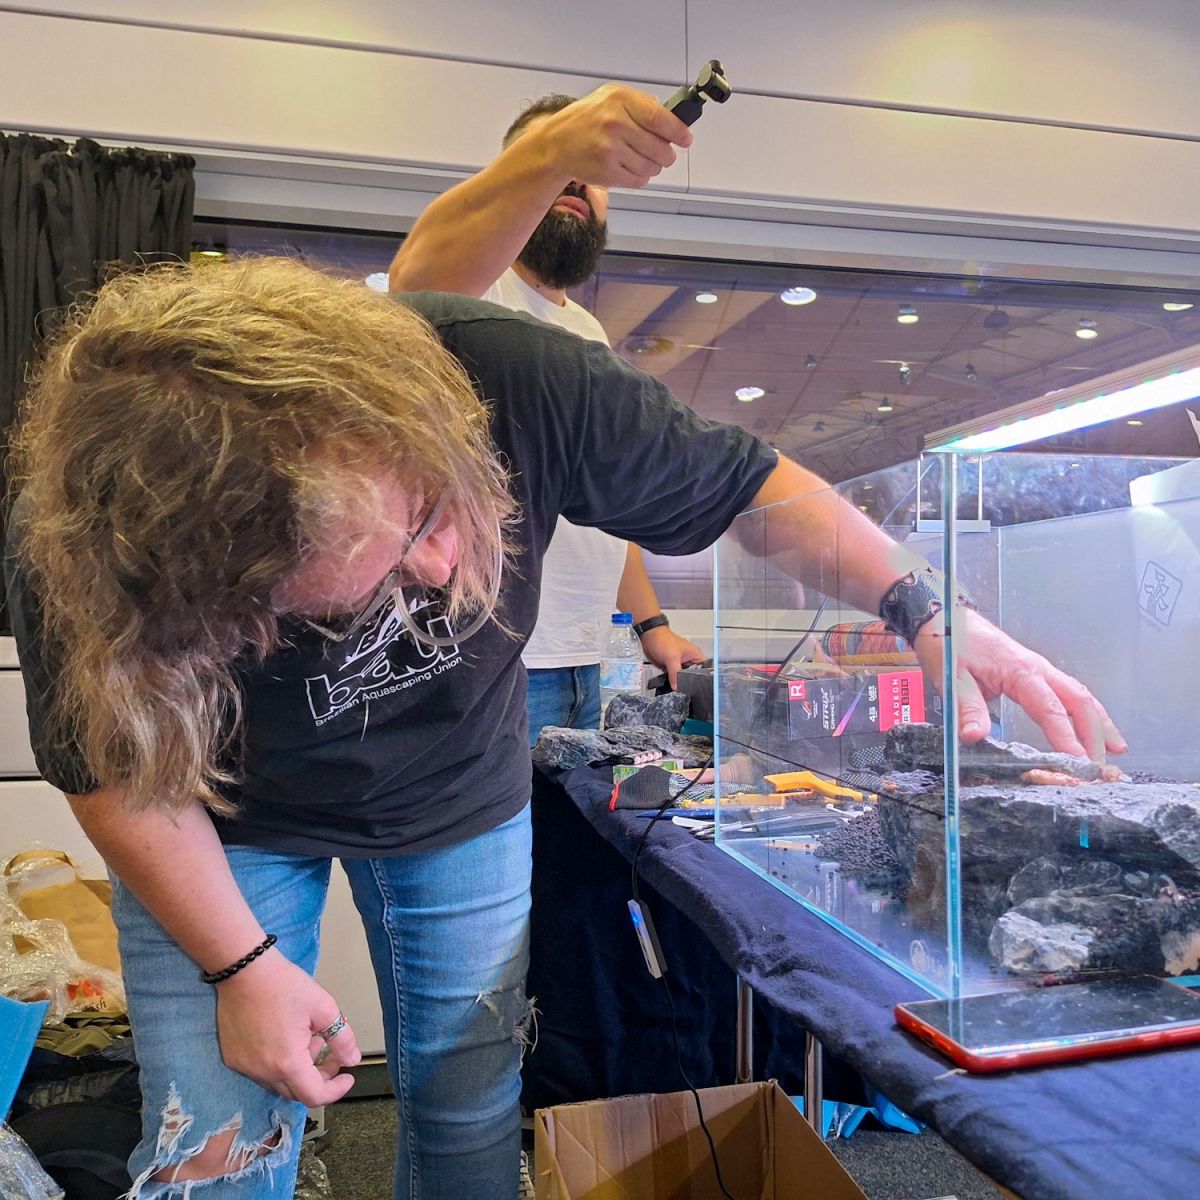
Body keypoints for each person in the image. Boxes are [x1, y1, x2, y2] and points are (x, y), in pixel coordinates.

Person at [3, 258, 1123, 1200]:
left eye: (435, 504)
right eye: (382, 569)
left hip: (456, 792)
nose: (448, 565)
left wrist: (929, 610)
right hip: (218, 818)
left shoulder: (510, 371)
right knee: (214, 1144)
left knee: (468, 1106)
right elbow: (112, 771)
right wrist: (240, 965)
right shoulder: (96, 531)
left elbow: (749, 492)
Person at [389, 85, 706, 745]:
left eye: (589, 172)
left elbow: (602, 508)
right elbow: (415, 283)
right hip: (497, 664)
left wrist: (652, 626)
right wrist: (551, 156)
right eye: (553, 162)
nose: (575, 180)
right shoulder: (472, 292)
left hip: (591, 660)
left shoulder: (588, 331)